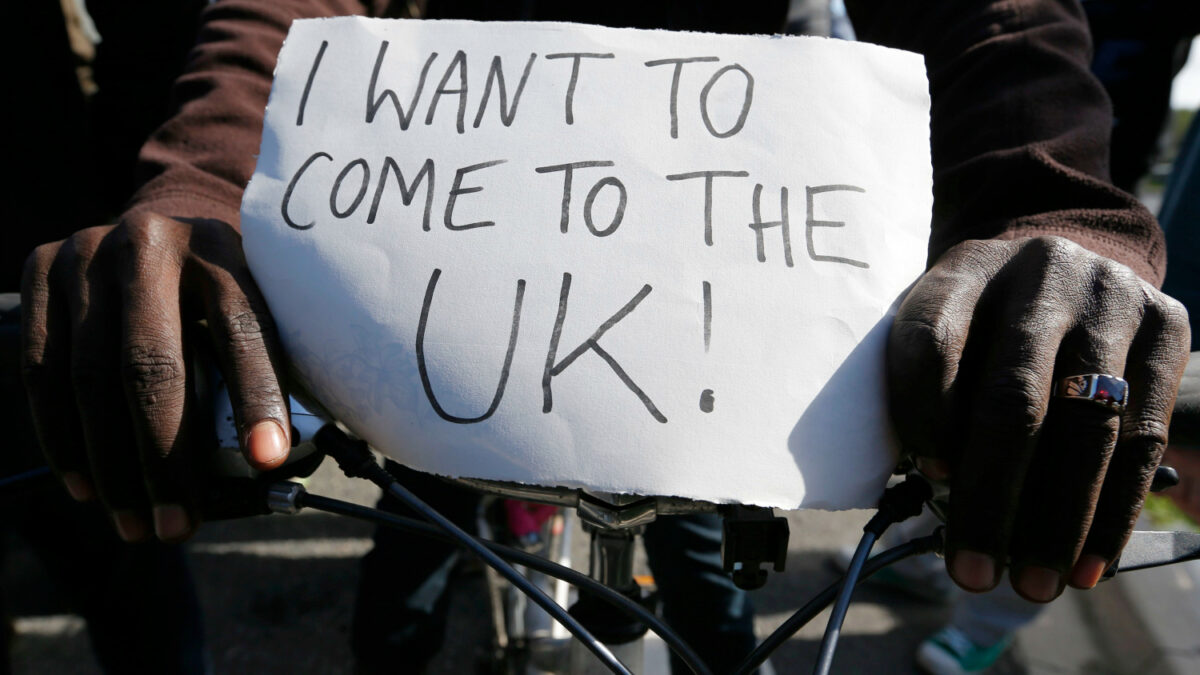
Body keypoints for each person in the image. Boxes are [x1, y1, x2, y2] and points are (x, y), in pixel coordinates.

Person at [16, 0, 1190, 670]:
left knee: (713, 585)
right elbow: (280, 7)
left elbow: (995, 16)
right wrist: (203, 194)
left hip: (717, 251)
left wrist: (1057, 209)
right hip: (441, 219)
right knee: (417, 561)